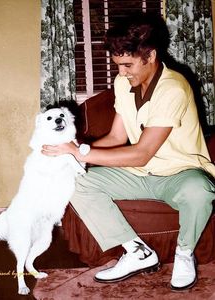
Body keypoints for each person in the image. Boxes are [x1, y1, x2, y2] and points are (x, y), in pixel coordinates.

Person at [42, 12, 215, 291]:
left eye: (127, 65)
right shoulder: (124, 84)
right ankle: (137, 252)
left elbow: (142, 152)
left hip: (179, 174)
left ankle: (185, 254)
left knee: (201, 190)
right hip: (139, 174)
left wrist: (79, 153)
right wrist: (70, 150)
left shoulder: (174, 89)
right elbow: (116, 136)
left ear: (150, 55)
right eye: (118, 66)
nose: (121, 73)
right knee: (74, 181)